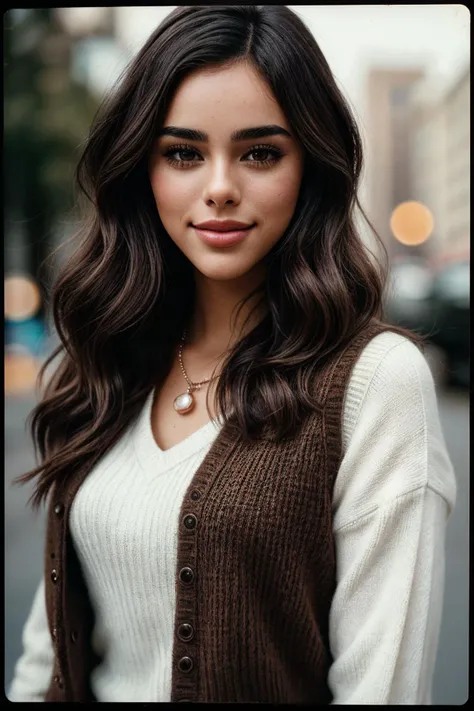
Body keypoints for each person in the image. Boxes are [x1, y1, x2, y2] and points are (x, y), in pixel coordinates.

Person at [8, 5, 456, 704]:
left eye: (260, 153)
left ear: (310, 167)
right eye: (183, 153)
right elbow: (48, 657)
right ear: (143, 170)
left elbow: (384, 689)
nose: (219, 186)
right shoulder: (105, 363)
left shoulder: (374, 383)